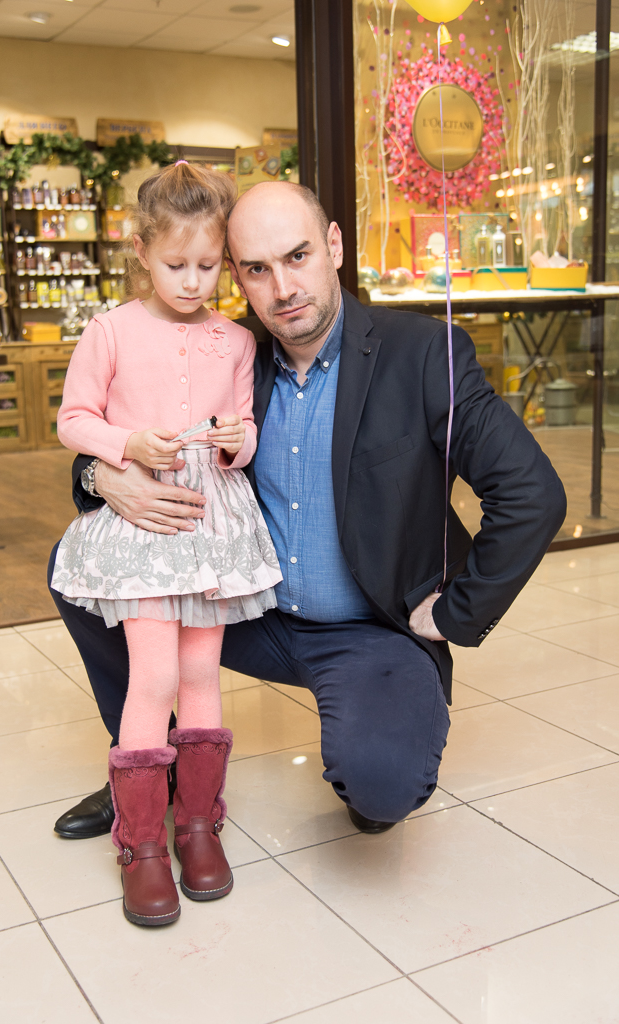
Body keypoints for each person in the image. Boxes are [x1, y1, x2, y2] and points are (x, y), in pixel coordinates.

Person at [50, 180, 566, 848]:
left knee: (382, 787)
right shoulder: (234, 352)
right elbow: (115, 429)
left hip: (368, 628)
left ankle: (366, 746)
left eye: (297, 257)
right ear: (237, 276)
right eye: (257, 269)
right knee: (82, 576)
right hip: (246, 607)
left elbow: (532, 495)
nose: (283, 288)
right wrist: (98, 476)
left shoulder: (422, 354)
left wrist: (455, 614)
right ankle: (151, 761)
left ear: (334, 246)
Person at [50, 162, 281, 927]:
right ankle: (142, 843)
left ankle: (198, 825)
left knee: (202, 673)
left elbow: (247, 431)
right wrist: (127, 444)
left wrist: (235, 440)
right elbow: (73, 420)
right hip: (147, 521)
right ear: (142, 250)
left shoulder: (236, 341)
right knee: (151, 677)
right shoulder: (110, 330)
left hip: (210, 521)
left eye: (208, 266)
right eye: (176, 264)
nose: (192, 282)